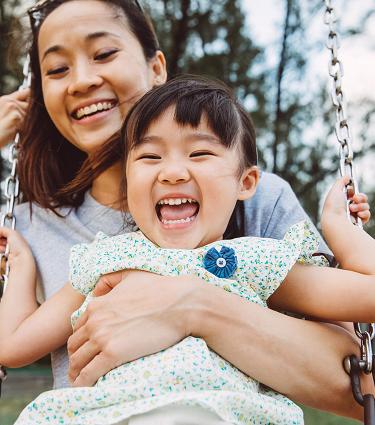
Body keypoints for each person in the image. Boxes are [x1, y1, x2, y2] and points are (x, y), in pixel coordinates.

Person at [0, 0, 372, 421]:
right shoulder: (66, 240)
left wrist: (194, 305)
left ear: (156, 67)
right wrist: (21, 265)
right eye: (57, 69)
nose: (82, 80)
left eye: (104, 53)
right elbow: (11, 343)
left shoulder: (251, 232)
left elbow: (365, 380)